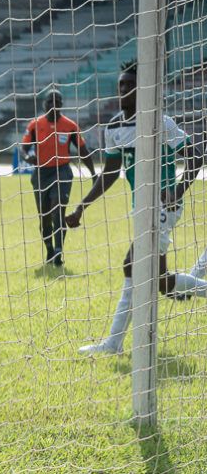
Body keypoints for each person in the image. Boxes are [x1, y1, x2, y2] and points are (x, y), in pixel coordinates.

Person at [67, 60, 205, 355]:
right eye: (120, 85)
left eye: (129, 85)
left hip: (164, 205)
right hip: (139, 206)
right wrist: (82, 207)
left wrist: (178, 189)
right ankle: (114, 343)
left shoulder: (159, 122)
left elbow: (195, 157)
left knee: (132, 264)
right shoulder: (115, 126)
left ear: (142, 90)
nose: (123, 90)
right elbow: (110, 174)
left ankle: (113, 344)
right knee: (163, 283)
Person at [20, 89, 97, 266]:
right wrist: (27, 157)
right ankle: (49, 250)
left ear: (61, 105)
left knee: (58, 209)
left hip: (62, 171)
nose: (53, 105)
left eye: (57, 102)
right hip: (41, 173)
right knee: (44, 217)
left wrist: (93, 174)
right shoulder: (34, 125)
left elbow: (83, 151)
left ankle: (58, 251)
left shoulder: (70, 126)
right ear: (44, 104)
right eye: (49, 102)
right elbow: (24, 148)